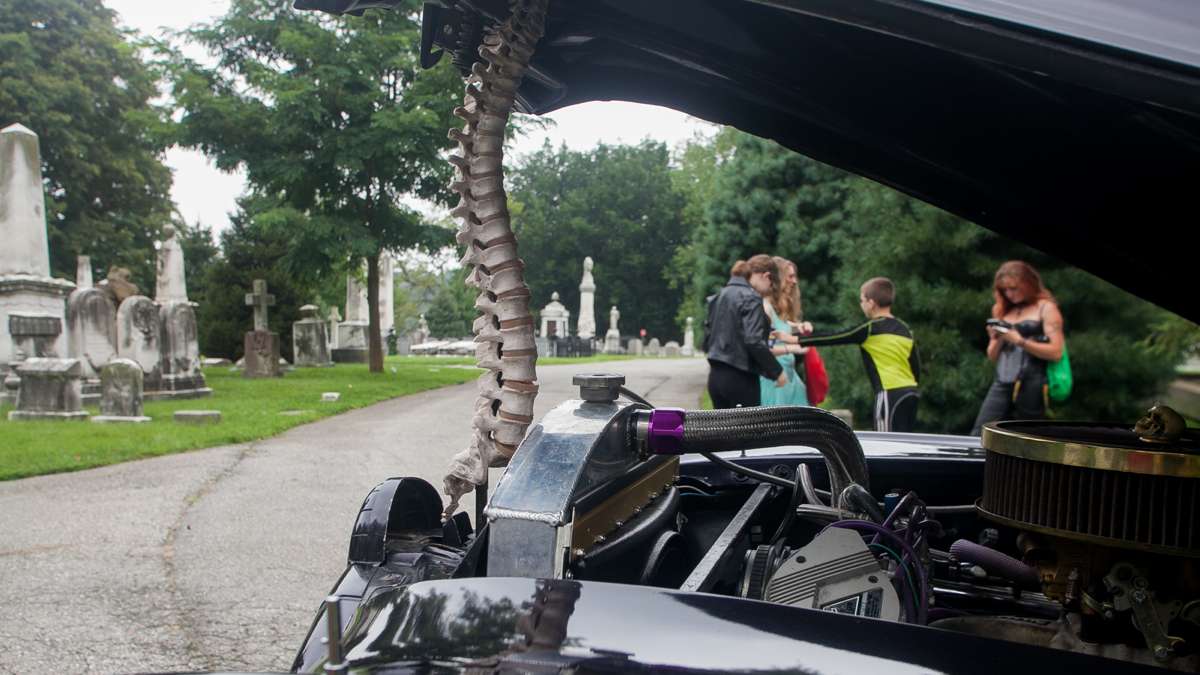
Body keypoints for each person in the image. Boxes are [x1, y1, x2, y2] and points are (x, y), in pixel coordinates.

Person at [798, 277, 921, 431]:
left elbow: (835, 337)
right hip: (911, 393)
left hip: (890, 393)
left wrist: (797, 339)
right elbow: (915, 367)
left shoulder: (871, 328)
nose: (861, 304)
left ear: (871, 303)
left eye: (862, 300)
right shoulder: (905, 329)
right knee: (905, 442)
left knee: (886, 443)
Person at [970, 261, 1064, 434]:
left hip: (1032, 384)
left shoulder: (1046, 308)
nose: (1009, 294)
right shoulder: (1001, 310)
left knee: (1026, 438)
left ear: (1028, 284)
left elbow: (1056, 352)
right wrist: (996, 338)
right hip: (1002, 382)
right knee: (980, 433)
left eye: (1013, 288)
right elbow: (992, 356)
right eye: (1004, 290)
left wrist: (1019, 340)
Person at [706, 255, 786, 408]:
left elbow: (708, 339)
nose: (768, 292)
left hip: (715, 377)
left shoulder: (719, 296)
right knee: (748, 430)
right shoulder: (750, 297)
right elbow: (753, 340)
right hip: (740, 378)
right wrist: (778, 372)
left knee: (722, 431)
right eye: (771, 286)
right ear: (766, 276)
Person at [759, 257, 809, 406]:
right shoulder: (765, 307)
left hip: (790, 376)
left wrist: (800, 327)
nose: (794, 281)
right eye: (790, 276)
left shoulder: (780, 310)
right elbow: (764, 348)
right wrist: (794, 349)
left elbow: (782, 328)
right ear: (778, 277)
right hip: (774, 380)